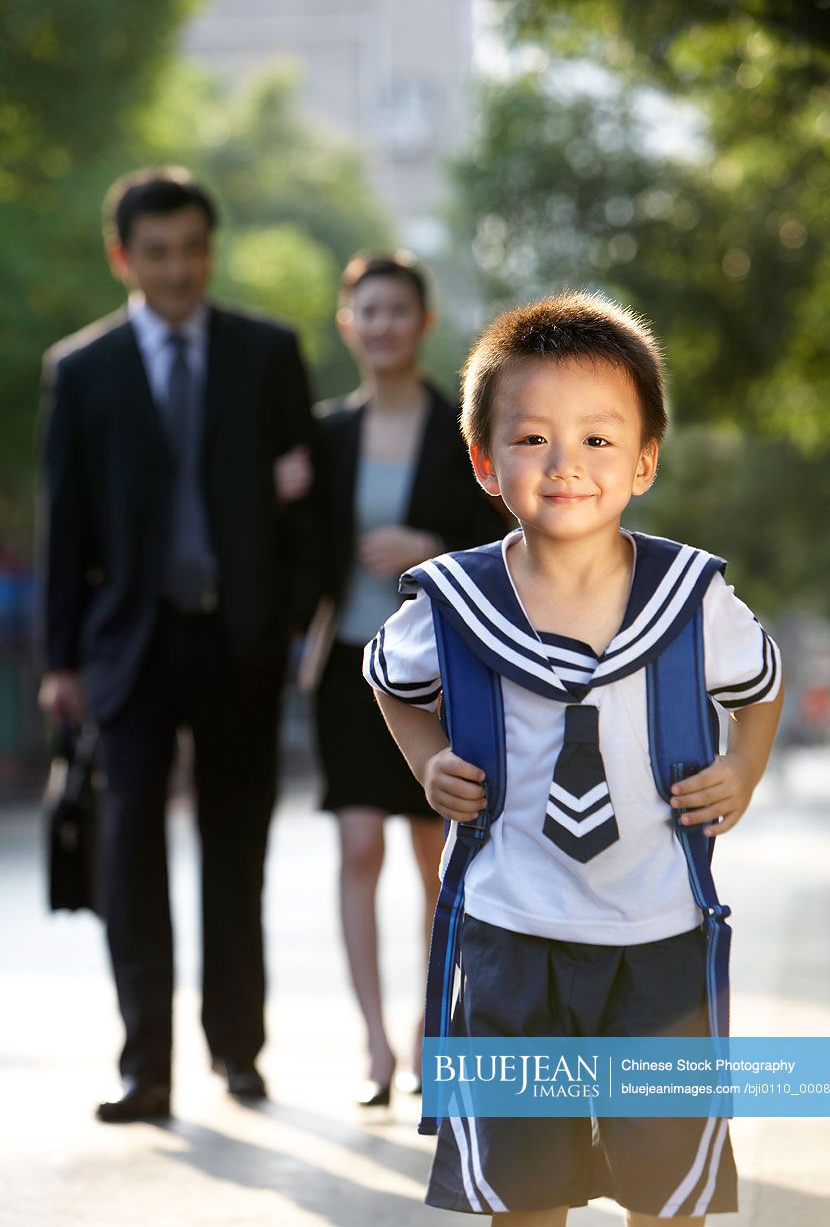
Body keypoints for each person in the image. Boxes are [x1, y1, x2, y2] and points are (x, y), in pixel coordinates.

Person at [364, 291, 783, 1223]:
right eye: (530, 439)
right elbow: (387, 675)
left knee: (666, 1194)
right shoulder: (452, 602)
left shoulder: (691, 597)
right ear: (483, 461)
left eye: (598, 439)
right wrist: (425, 756)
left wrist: (744, 768)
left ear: (643, 460)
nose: (565, 465)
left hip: (659, 935)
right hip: (512, 931)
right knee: (523, 1190)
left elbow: (761, 685)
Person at [37, 166, 318, 1122]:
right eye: (155, 251)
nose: (177, 268)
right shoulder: (82, 370)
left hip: (240, 641)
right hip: (129, 645)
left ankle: (238, 1051)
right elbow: (64, 521)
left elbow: (302, 506)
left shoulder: (269, 353)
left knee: (238, 852)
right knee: (129, 858)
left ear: (210, 249)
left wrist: (285, 618)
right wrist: (60, 661)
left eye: (192, 248)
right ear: (124, 256)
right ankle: (144, 1067)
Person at [313, 253, 506, 1106]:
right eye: (368, 311)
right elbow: (294, 554)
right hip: (346, 670)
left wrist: (429, 550)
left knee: (435, 856)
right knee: (357, 848)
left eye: (399, 311)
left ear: (424, 325)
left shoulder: (460, 430)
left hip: (439, 674)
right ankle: (373, 1047)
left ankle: (437, 1037)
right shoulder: (324, 436)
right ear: (346, 323)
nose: (383, 324)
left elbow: (498, 540)